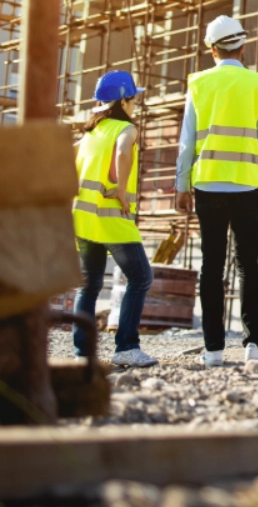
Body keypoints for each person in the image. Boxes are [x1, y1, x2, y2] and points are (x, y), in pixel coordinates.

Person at [176, 15, 258, 367]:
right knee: (248, 266)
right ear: (243, 45)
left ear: (211, 49)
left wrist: (181, 185)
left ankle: (213, 350)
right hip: (249, 185)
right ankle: (254, 345)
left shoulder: (198, 84)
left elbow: (186, 141)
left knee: (211, 266)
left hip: (207, 184)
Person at [72, 71, 158, 367]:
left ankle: (83, 355)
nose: (135, 104)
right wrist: (121, 190)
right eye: (133, 98)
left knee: (89, 285)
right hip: (111, 218)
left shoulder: (89, 133)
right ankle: (126, 347)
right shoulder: (127, 129)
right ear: (124, 99)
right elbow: (123, 152)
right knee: (141, 277)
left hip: (83, 220)